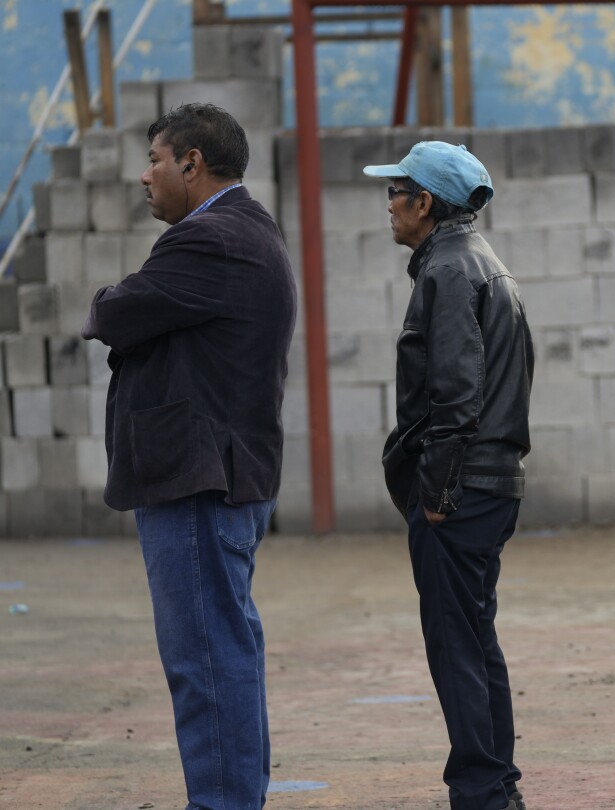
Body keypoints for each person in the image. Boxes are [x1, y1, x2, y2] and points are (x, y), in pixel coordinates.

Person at [81, 102, 295, 809]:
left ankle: (224, 802)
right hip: (222, 474)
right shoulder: (246, 229)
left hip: (200, 480)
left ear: (192, 165)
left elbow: (112, 314)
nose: (145, 177)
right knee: (224, 650)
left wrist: (114, 299)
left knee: (204, 658)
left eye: (155, 161)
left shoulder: (209, 239)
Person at [365, 142, 534, 810]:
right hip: (489, 484)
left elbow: (456, 393)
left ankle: (483, 793)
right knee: (474, 640)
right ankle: (495, 786)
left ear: (424, 203)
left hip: (461, 491)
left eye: (395, 191)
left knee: (457, 647)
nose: (388, 204)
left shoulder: (450, 270)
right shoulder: (476, 262)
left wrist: (434, 489)